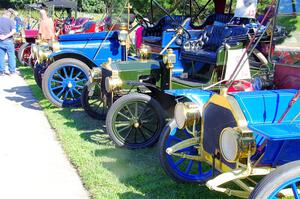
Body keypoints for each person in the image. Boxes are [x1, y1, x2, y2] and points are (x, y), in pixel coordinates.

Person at [0, 9, 17, 76]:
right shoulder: (10, 21)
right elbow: (14, 31)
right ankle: (12, 71)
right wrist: (6, 36)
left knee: (1, 56)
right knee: (11, 56)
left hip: (1, 41)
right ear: (9, 15)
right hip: (8, 40)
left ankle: (1, 71)